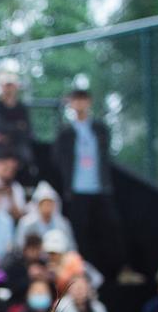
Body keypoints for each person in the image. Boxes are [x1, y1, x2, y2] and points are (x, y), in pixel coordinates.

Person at [52, 88, 126, 286]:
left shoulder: (100, 129)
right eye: (75, 100)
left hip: (101, 189)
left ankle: (116, 272)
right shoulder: (66, 132)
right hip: (76, 191)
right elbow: (58, 159)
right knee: (81, 234)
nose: (79, 104)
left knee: (110, 228)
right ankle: (82, 274)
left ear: (89, 102)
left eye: (83, 100)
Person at [0, 69, 34, 174]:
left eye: (11, 85)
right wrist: (17, 127)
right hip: (0, 151)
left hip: (20, 152)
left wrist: (8, 132)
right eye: (6, 86)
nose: (9, 89)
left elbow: (27, 131)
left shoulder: (22, 107)